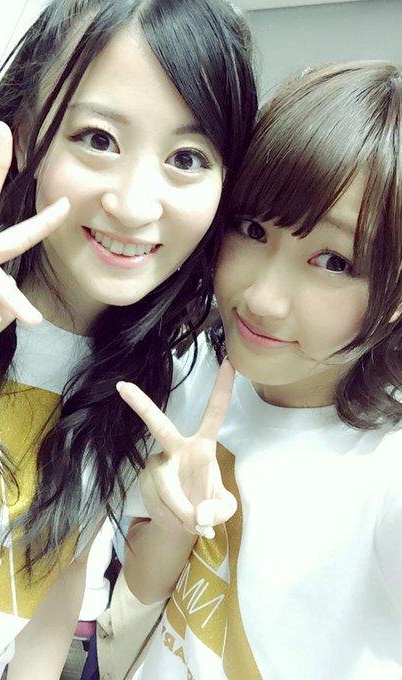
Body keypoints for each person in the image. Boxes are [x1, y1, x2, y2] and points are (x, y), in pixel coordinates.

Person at [0, 1, 257, 678]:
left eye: (186, 157)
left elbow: (51, 573)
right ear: (26, 136)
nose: (134, 204)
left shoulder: (158, 379)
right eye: (97, 138)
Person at [114, 60, 402, 679]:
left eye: (334, 261)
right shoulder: (197, 372)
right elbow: (136, 604)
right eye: (252, 229)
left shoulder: (383, 471)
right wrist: (170, 517)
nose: (263, 299)